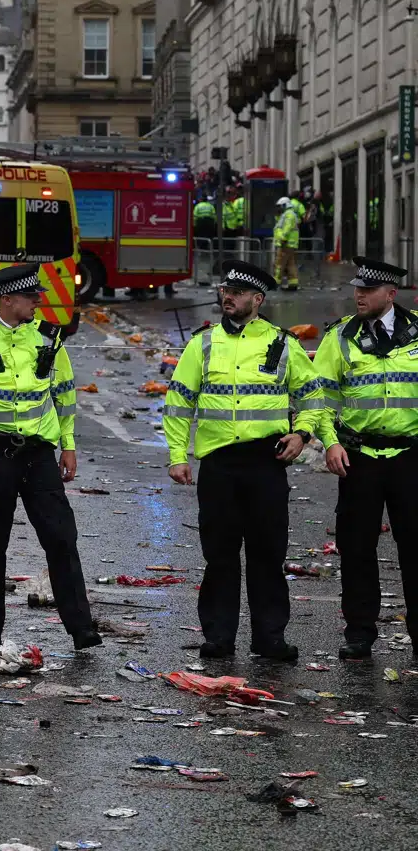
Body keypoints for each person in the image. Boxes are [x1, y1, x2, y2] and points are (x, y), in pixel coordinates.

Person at [163, 260, 327, 661]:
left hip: (265, 463)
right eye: (226, 291)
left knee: (267, 555)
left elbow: (312, 396)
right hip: (219, 465)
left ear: (257, 299)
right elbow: (179, 401)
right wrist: (177, 456)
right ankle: (219, 637)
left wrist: (302, 433)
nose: (228, 297)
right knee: (219, 555)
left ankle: (269, 638)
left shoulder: (283, 344)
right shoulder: (203, 344)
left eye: (237, 293)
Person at [0, 263, 100, 654]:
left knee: (61, 538)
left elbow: (64, 395)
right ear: (7, 299)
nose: (37, 302)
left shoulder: (49, 339)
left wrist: (69, 445)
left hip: (39, 454)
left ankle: (81, 628)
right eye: (30, 297)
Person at [311, 257, 418, 660]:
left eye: (368, 290)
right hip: (359, 456)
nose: (359, 294)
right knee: (356, 548)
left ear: (391, 294)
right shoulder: (340, 337)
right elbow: (319, 397)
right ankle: (359, 633)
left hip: (411, 456)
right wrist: (329, 442)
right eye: (357, 288)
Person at [273, 197, 301, 291]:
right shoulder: (287, 214)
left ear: (285, 205)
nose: (279, 208)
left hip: (286, 243)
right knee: (290, 264)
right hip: (290, 244)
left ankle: (275, 282)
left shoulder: (289, 214)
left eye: (280, 206)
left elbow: (286, 228)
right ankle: (293, 283)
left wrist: (283, 239)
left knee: (280, 263)